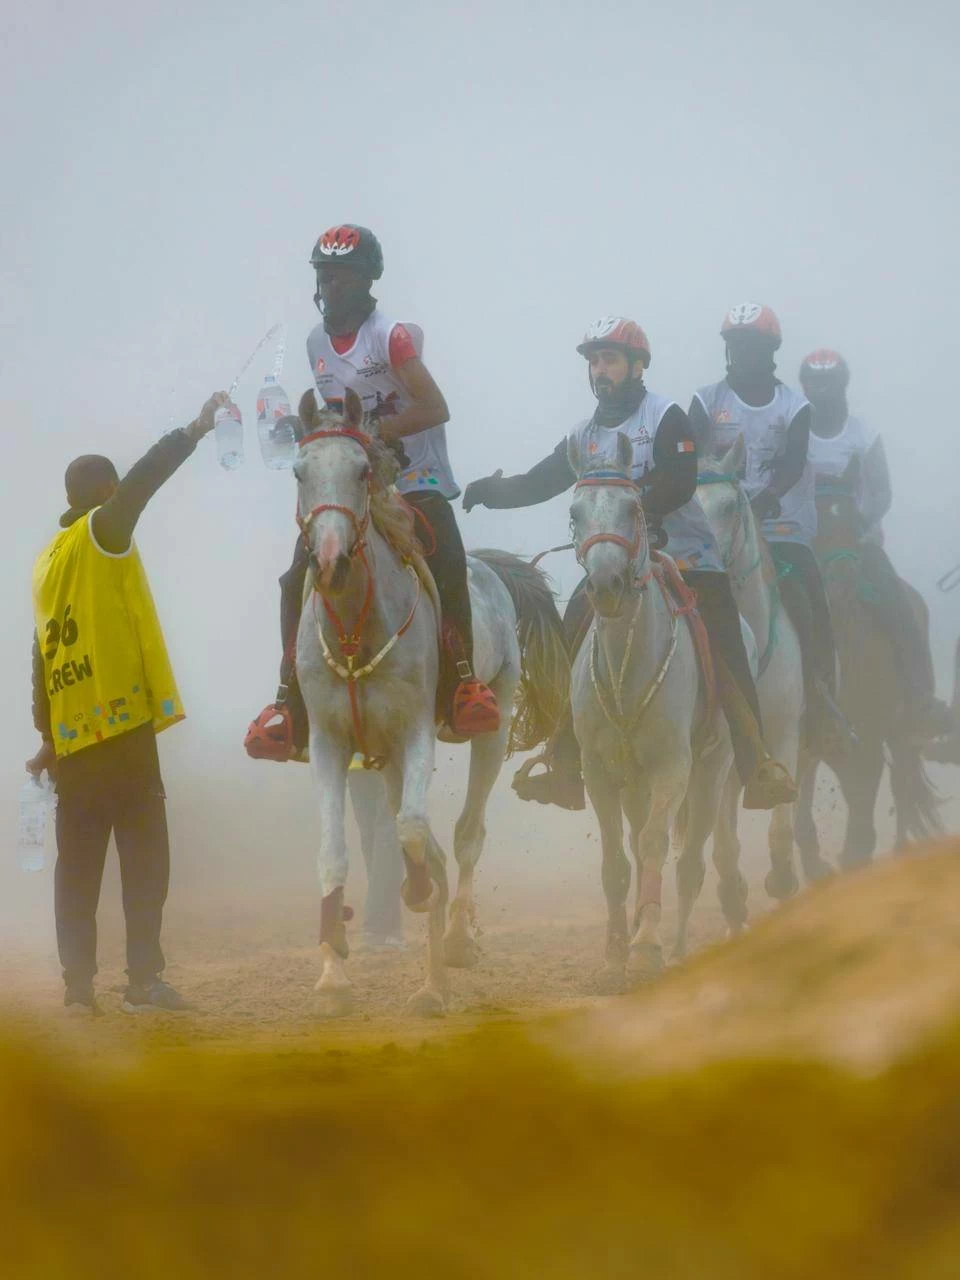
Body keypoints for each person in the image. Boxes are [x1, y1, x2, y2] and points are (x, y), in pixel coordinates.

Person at [463, 316, 796, 812]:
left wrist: (628, 504)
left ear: (637, 366)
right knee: (571, 627)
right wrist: (492, 492)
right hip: (618, 564)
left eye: (610, 359)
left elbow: (681, 480)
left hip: (687, 557)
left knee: (726, 637)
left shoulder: (666, 417)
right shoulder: (584, 434)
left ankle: (756, 764)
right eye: (594, 361)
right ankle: (564, 759)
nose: (601, 369)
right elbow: (541, 481)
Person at [246, 224, 499, 762]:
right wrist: (307, 427)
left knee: (448, 560)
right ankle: (288, 704)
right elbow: (338, 419)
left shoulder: (392, 337)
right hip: (357, 480)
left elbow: (435, 407)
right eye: (324, 275)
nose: (330, 286)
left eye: (341, 276)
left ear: (366, 283)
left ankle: (462, 683)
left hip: (417, 478)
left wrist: (374, 434)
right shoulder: (316, 343)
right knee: (296, 576)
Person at [26, 392, 231, 1015]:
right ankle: (143, 982)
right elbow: (143, 484)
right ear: (105, 491)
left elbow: (41, 662)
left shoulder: (46, 564)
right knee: (145, 861)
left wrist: (49, 737)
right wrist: (193, 430)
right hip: (122, 735)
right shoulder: (102, 532)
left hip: (73, 745)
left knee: (77, 870)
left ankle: (78, 990)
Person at [688, 304, 849, 755]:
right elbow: (691, 457)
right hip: (716, 527)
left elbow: (795, 462)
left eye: (752, 346)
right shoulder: (706, 400)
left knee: (809, 598)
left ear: (770, 351)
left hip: (781, 528)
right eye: (735, 346)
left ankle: (821, 696)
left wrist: (765, 498)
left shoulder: (794, 406)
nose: (742, 354)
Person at [801, 348, 949, 739]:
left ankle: (921, 698)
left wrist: (855, 524)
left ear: (842, 385)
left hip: (859, 544)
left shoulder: (862, 434)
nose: (821, 390)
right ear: (804, 386)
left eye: (828, 383)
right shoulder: (795, 432)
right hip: (808, 544)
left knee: (901, 605)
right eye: (814, 383)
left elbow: (881, 493)